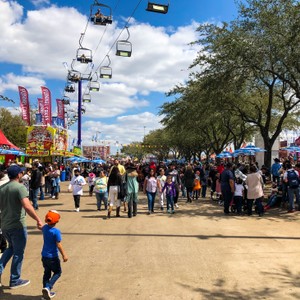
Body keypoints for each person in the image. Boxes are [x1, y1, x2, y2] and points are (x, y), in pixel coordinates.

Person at [0, 165, 43, 289]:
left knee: (11, 248)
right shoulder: (20, 188)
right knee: (19, 252)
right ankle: (15, 279)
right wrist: (38, 219)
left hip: (5, 224)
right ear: (18, 175)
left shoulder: (2, 188)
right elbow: (27, 206)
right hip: (17, 224)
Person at [41, 210, 68, 300]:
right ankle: (48, 288)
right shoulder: (56, 231)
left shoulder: (44, 228)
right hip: (53, 257)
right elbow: (58, 244)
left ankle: (45, 294)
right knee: (57, 272)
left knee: (47, 273)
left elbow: (41, 227)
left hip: (44, 256)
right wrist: (64, 255)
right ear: (57, 221)